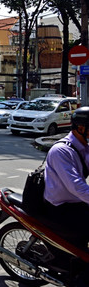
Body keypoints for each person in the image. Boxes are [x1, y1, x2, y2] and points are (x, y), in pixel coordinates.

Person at [42, 107, 89, 250]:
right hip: (60, 207)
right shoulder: (61, 151)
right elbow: (76, 186)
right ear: (81, 128)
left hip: (77, 202)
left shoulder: (85, 147)